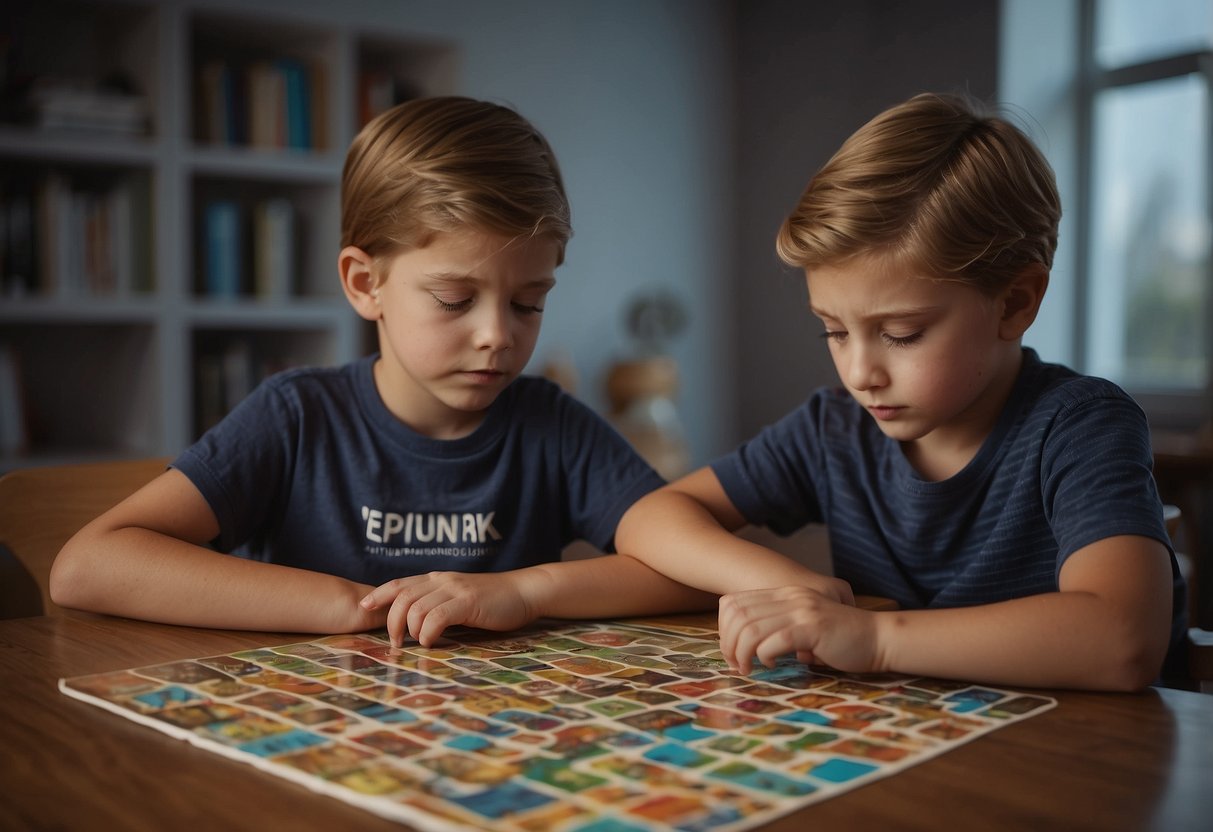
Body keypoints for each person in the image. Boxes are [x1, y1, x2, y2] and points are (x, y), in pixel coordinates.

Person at [51, 96, 712, 646]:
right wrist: (348, 605)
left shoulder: (552, 426)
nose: (497, 335)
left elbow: (690, 569)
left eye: (528, 302)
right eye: (455, 300)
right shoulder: (296, 417)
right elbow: (87, 567)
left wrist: (525, 589)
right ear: (365, 284)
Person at [616, 92, 1187, 692]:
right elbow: (649, 518)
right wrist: (778, 581)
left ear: (1014, 303)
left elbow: (1123, 640)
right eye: (833, 331)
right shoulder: (833, 429)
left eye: (901, 334)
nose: (860, 372)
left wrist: (874, 639)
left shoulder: (1081, 426)